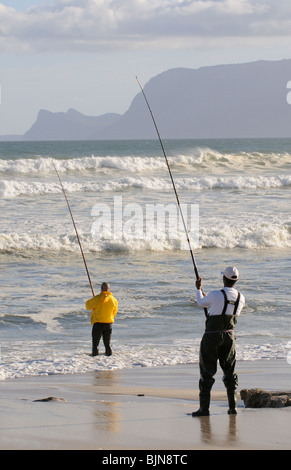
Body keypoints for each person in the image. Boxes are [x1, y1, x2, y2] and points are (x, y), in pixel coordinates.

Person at [192, 266, 245, 417]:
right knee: (230, 372)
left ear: (224, 279)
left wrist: (198, 289)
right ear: (236, 280)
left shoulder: (215, 294)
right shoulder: (241, 298)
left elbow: (201, 303)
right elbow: (219, 305)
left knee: (207, 373)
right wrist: (204, 294)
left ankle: (204, 409)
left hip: (211, 338)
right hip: (229, 337)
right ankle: (232, 407)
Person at [85, 282, 118, 357]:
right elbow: (114, 313)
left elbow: (87, 306)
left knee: (95, 343)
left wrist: (92, 300)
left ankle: (95, 358)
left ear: (101, 289)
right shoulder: (114, 300)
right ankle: (110, 359)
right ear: (109, 289)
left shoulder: (97, 298)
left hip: (98, 323)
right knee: (107, 344)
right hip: (109, 323)